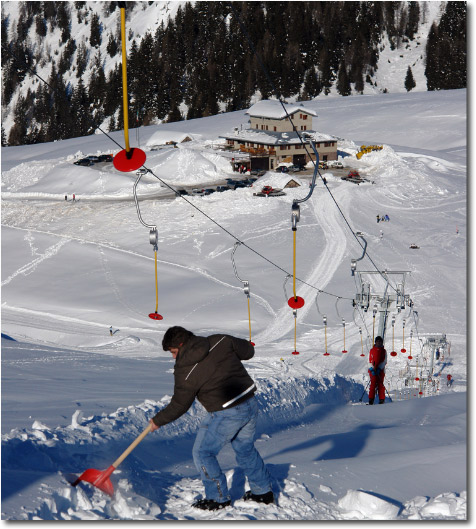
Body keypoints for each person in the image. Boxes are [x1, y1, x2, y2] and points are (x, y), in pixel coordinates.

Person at [149, 326, 274, 511]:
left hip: (228, 412)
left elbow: (180, 404)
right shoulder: (220, 340)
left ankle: (218, 499)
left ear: (182, 345)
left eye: (174, 352)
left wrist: (158, 421)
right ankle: (263, 492)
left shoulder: (185, 371)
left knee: (203, 453)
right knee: (244, 448)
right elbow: (249, 351)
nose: (174, 357)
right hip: (249, 403)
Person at [368, 336, 387, 404]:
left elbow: (384, 361)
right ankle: (371, 399)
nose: (378, 343)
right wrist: (371, 368)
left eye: (380, 341)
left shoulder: (384, 351)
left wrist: (379, 368)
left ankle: (381, 399)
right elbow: (369, 360)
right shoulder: (371, 350)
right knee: (373, 384)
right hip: (373, 370)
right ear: (375, 342)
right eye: (377, 341)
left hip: (380, 370)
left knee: (380, 384)